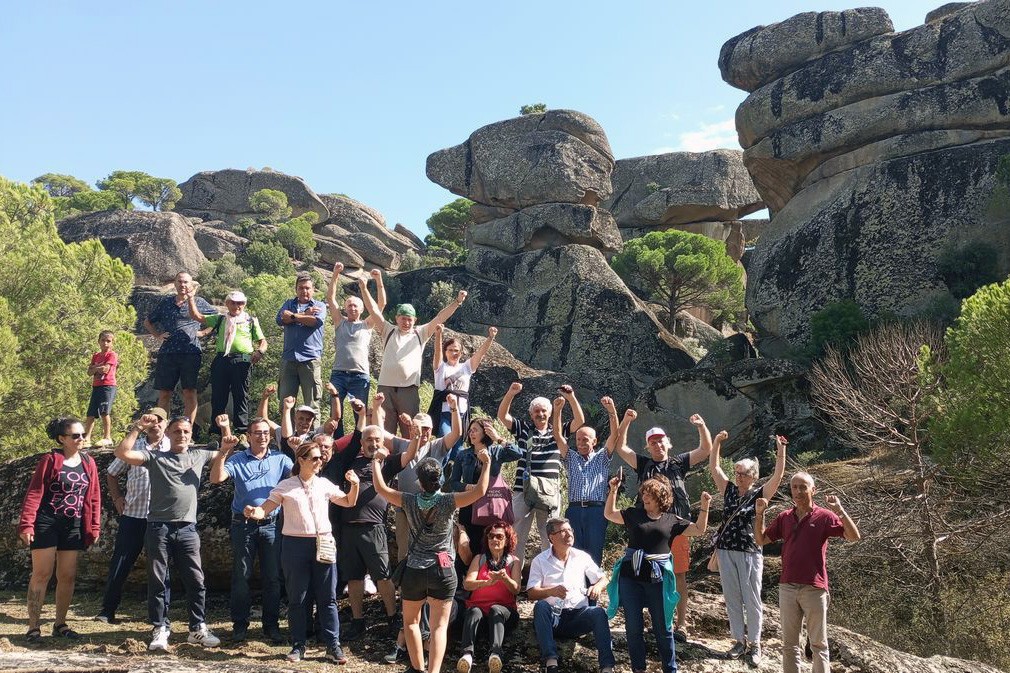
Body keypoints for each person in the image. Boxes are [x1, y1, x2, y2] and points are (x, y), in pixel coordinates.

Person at [372, 446, 491, 673]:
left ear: (419, 481)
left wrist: (377, 461)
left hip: (415, 570)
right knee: (439, 627)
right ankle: (434, 671)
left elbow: (381, 487)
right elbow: (480, 491)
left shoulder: (408, 500)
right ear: (441, 479)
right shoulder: (449, 501)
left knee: (411, 623)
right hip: (443, 571)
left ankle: (417, 668)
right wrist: (485, 464)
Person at [244, 440, 361, 664]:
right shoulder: (286, 486)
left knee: (328, 598)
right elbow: (264, 510)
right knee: (298, 597)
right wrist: (253, 511)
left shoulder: (324, 484)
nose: (320, 461)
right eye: (315, 458)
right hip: (295, 545)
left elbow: (348, 502)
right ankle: (298, 645)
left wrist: (354, 485)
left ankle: (333, 645)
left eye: (321, 457)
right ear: (301, 460)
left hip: (323, 542)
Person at [114, 413, 222, 651]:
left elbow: (226, 453)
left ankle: (198, 628)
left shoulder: (199, 454)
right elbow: (122, 454)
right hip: (158, 527)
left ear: (191, 434)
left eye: (186, 431)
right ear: (168, 434)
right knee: (158, 579)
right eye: (176, 431)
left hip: (187, 527)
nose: (181, 435)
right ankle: (160, 628)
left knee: (196, 579)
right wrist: (138, 428)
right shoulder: (154, 457)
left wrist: (225, 432)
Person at [614, 411, 712, 640]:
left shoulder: (678, 462)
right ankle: (659, 620)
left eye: (660, 440)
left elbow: (705, 450)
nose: (657, 444)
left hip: (676, 528)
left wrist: (701, 425)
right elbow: (621, 448)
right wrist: (626, 421)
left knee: (678, 576)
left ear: (668, 443)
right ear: (648, 447)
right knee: (649, 575)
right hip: (648, 530)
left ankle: (681, 624)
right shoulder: (644, 464)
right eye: (652, 442)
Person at [754, 472, 861, 673]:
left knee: (818, 644)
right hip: (787, 586)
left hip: (814, 588)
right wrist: (759, 514)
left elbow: (853, 536)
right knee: (789, 645)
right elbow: (761, 540)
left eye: (803, 487)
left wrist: (840, 511)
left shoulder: (824, 516)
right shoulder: (785, 517)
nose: (798, 491)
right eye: (794, 487)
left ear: (813, 490)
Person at [604, 474, 711, 673]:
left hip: (658, 579)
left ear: (661, 497)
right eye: (644, 493)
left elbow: (698, 529)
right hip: (630, 578)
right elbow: (609, 514)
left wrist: (705, 506)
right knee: (633, 628)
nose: (645, 497)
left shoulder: (672, 520)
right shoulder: (633, 514)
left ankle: (670, 669)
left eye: (650, 494)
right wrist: (613, 490)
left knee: (663, 627)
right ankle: (638, 669)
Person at [328, 417, 420, 642]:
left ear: (382, 442)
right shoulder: (350, 462)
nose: (373, 443)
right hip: (348, 528)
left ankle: (392, 619)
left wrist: (415, 437)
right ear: (362, 442)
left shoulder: (386, 463)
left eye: (377, 439)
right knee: (354, 577)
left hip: (374, 527)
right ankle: (358, 621)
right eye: (369, 439)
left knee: (383, 576)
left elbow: (408, 456)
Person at [210, 413, 292, 644]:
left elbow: (299, 476)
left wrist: (297, 449)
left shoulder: (280, 459)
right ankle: (240, 626)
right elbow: (216, 478)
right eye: (257, 433)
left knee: (273, 578)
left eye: (266, 433)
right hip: (243, 526)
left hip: (272, 525)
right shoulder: (237, 459)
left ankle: (271, 626)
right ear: (248, 436)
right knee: (241, 576)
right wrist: (224, 452)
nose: (263, 436)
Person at [18, 417, 101, 643]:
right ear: (62, 439)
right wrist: (26, 524)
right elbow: (34, 493)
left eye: (83, 434)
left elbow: (93, 497)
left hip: (73, 524)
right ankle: (33, 627)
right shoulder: (50, 460)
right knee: (42, 574)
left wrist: (93, 526)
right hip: (46, 522)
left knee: (67, 575)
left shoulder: (88, 462)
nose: (81, 439)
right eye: (75, 436)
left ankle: (60, 624)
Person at [708, 431, 787, 666]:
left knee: (752, 599)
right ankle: (738, 641)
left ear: (753, 476)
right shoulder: (729, 490)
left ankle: (754, 644)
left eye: (743, 474)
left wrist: (781, 451)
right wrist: (717, 444)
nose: (739, 477)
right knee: (732, 597)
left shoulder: (759, 494)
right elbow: (714, 468)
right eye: (737, 473)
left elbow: (778, 476)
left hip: (750, 551)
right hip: (725, 550)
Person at [360, 269, 467, 436]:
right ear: (397, 318)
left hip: (408, 390)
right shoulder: (388, 330)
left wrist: (457, 302)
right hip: (386, 388)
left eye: (409, 319)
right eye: (403, 318)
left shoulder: (420, 333)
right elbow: (374, 311)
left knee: (410, 431)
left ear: (415, 320)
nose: (406, 322)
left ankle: (408, 461)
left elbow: (439, 318)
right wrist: (364, 288)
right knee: (384, 431)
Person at [95, 407, 171, 624]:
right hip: (133, 515)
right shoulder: (133, 445)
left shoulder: (173, 447)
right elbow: (111, 472)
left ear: (166, 424)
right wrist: (118, 498)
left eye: (159, 420)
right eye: (151, 420)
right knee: (120, 563)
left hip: (161, 517)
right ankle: (107, 610)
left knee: (160, 567)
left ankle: (159, 616)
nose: (155, 424)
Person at [497, 382, 584, 565]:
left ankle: (549, 578)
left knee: (551, 537)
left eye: (544, 411)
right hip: (523, 490)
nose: (541, 414)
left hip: (550, 492)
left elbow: (579, 421)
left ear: (550, 413)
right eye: (537, 411)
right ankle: (514, 580)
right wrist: (511, 393)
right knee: (516, 536)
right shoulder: (523, 429)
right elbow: (502, 416)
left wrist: (571, 397)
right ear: (531, 414)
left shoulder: (558, 432)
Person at [527, 517, 614, 673]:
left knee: (599, 612)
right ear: (551, 537)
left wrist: (597, 587)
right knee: (540, 606)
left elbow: (603, 578)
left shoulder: (581, 556)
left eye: (570, 530)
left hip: (578, 616)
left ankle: (607, 667)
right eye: (563, 531)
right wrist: (550, 591)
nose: (569, 534)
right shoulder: (540, 561)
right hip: (553, 619)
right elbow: (531, 592)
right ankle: (551, 661)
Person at [188, 289, 267, 436]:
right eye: (233, 302)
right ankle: (216, 431)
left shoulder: (250, 320)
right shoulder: (220, 319)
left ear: (244, 304)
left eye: (240, 303)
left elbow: (263, 342)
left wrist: (259, 352)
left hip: (242, 360)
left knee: (241, 396)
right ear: (227, 303)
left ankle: (241, 431)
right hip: (222, 360)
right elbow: (196, 316)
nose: (237, 306)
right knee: (218, 396)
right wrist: (191, 298)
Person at [552, 394, 620, 564]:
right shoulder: (571, 457)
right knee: (573, 551)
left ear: (594, 441)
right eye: (578, 439)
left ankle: (593, 587)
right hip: (574, 510)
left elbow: (614, 436)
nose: (581, 443)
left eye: (585, 439)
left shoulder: (602, 457)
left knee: (594, 551)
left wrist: (612, 412)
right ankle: (577, 587)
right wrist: (558, 411)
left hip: (596, 511)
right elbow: (558, 436)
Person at [144, 271, 215, 424]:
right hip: (168, 353)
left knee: (189, 392)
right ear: (175, 284)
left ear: (191, 284)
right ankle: (162, 429)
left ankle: (187, 430)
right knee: (164, 393)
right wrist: (157, 335)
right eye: (180, 282)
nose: (183, 285)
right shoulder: (166, 302)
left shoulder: (200, 302)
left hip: (190, 352)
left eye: (186, 282)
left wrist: (203, 332)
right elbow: (147, 322)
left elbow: (217, 320)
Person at [325, 263, 385, 433]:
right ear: (345, 308)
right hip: (338, 374)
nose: (352, 308)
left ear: (362, 309)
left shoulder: (367, 324)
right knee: (336, 414)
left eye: (355, 305)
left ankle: (358, 444)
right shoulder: (340, 322)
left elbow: (380, 306)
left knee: (360, 414)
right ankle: (337, 445)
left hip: (360, 376)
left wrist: (376, 281)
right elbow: (330, 298)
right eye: (349, 305)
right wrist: (335, 273)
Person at [446, 417, 522, 549]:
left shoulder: (496, 452)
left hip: (491, 506)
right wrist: (469, 487)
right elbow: (453, 483)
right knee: (469, 547)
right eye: (470, 430)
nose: (471, 433)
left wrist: (498, 438)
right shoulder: (463, 455)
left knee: (490, 547)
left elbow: (517, 453)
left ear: (486, 432)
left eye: (475, 430)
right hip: (469, 506)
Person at [457, 522, 522, 673]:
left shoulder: (514, 561)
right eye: (491, 536)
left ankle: (495, 655)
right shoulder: (479, 559)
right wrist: (486, 583)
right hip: (478, 612)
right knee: (474, 611)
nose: (494, 539)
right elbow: (467, 584)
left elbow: (517, 589)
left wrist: (505, 578)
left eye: (499, 536)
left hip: (503, 613)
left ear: (507, 540)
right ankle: (466, 655)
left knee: (496, 609)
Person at [428, 323, 497, 445]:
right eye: (450, 350)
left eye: (456, 351)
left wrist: (490, 338)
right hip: (444, 412)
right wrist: (438, 334)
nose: (454, 353)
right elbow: (437, 352)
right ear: (446, 352)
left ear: (461, 353)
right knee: (445, 442)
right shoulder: (440, 367)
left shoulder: (466, 367)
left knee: (458, 448)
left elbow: (480, 354)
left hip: (461, 412)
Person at [276, 271, 327, 413]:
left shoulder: (320, 306)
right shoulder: (288, 303)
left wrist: (292, 317)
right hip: (289, 359)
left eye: (307, 288)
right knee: (285, 404)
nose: (304, 291)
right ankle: (287, 435)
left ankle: (312, 435)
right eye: (301, 288)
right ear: (296, 289)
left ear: (313, 289)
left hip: (310, 360)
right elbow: (280, 319)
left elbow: (314, 322)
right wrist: (304, 314)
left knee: (312, 405)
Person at [83, 330, 118, 447]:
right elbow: (89, 372)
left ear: (112, 343)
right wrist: (97, 367)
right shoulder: (96, 356)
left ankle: (107, 437)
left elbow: (105, 369)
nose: (105, 343)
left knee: (104, 411)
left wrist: (96, 367)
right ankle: (86, 438)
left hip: (107, 386)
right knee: (91, 413)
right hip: (96, 386)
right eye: (103, 340)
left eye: (108, 341)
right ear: (99, 341)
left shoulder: (112, 355)